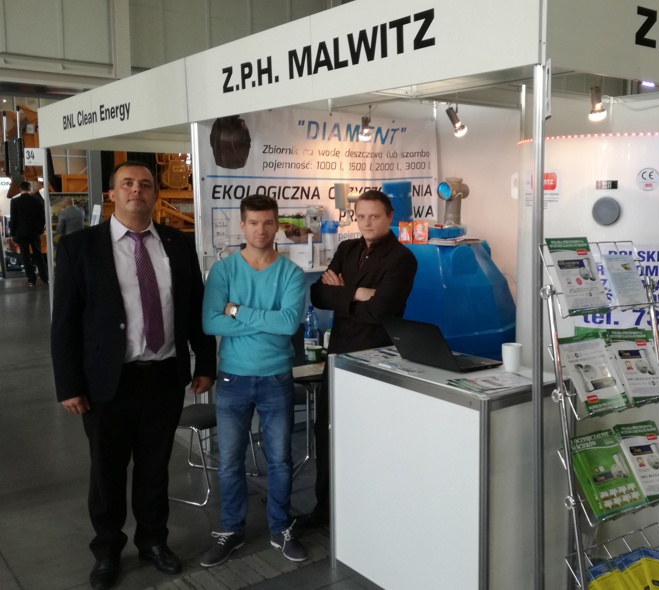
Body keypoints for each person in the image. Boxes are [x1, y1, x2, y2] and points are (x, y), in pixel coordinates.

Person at [51, 161, 217, 590]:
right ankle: (107, 549)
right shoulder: (80, 247)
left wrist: (206, 363)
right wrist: (69, 385)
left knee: (154, 468)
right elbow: (64, 322)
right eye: (127, 184)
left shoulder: (177, 244)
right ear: (112, 194)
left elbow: (194, 308)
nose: (136, 190)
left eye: (145, 184)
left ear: (155, 194)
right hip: (108, 382)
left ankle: (153, 541)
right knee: (106, 471)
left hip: (164, 377)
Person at [199, 195, 308, 567]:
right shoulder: (224, 271)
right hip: (233, 377)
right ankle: (232, 530)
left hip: (276, 376)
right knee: (230, 461)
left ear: (277, 225)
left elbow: (287, 325)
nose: (261, 230)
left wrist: (236, 310)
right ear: (242, 226)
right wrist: (265, 322)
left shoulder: (291, 273)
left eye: (268, 222)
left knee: (279, 459)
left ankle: (281, 527)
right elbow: (210, 322)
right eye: (254, 223)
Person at [303, 189, 418, 528]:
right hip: (338, 356)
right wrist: (356, 292)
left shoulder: (402, 258)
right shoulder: (347, 249)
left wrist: (341, 293)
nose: (367, 223)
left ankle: (364, 514)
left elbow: (380, 311)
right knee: (327, 432)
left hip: (375, 358)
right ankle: (325, 510)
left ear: (389, 217)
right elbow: (317, 294)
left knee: (366, 439)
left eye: (374, 216)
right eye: (361, 216)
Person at [9, 180, 49, 286]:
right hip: (34, 232)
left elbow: (13, 219)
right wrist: (39, 230)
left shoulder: (15, 201)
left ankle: (31, 279)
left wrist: (12, 234)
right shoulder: (37, 200)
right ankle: (45, 278)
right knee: (38, 255)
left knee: (25, 256)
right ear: (30, 188)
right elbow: (42, 217)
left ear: (20, 189)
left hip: (21, 233)